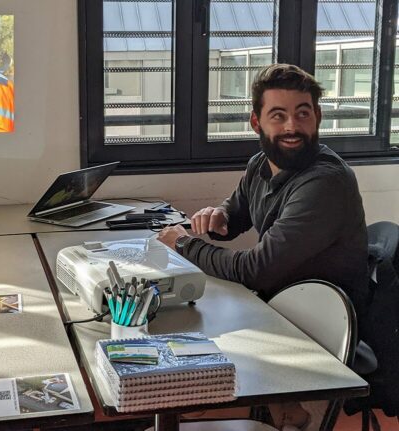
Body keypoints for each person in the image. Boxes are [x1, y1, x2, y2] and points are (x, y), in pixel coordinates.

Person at [157, 64, 368, 430]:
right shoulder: (261, 164)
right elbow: (235, 215)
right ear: (256, 122)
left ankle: (291, 413)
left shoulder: (325, 182)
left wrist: (185, 244)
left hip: (313, 329)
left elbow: (256, 268)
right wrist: (216, 216)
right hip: (280, 305)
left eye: (302, 113)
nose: (291, 126)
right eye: (278, 115)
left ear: (316, 116)